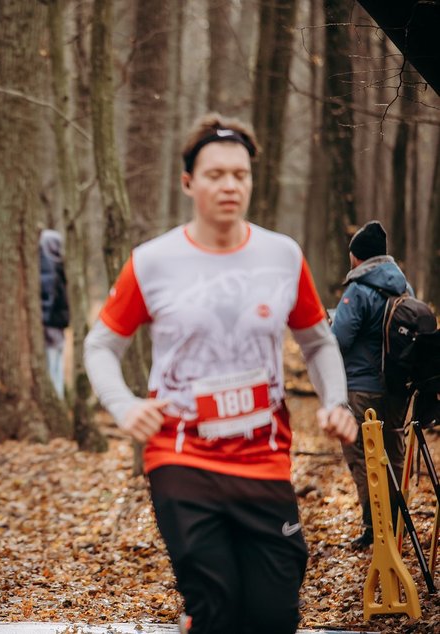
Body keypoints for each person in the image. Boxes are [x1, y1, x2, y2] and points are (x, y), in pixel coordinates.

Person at [83, 114, 357, 634]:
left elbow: (318, 340)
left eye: (240, 174)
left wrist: (336, 402)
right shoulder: (153, 261)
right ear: (188, 182)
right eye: (215, 175)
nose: (230, 185)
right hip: (181, 456)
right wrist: (124, 406)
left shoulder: (281, 255)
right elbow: (100, 345)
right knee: (217, 603)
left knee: (275, 614)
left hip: (264, 459)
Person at [331, 220, 410, 549]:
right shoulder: (404, 288)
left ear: (357, 257)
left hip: (363, 390)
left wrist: (331, 322)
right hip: (397, 388)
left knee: (361, 456)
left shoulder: (359, 289)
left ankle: (374, 525)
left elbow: (339, 339)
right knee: (393, 455)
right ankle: (396, 523)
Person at [39, 229, 69, 397]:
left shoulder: (48, 264)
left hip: (50, 326)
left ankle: (56, 397)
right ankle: (59, 397)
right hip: (58, 326)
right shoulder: (58, 264)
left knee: (52, 365)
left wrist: (42, 320)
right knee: (57, 363)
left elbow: (48, 297)